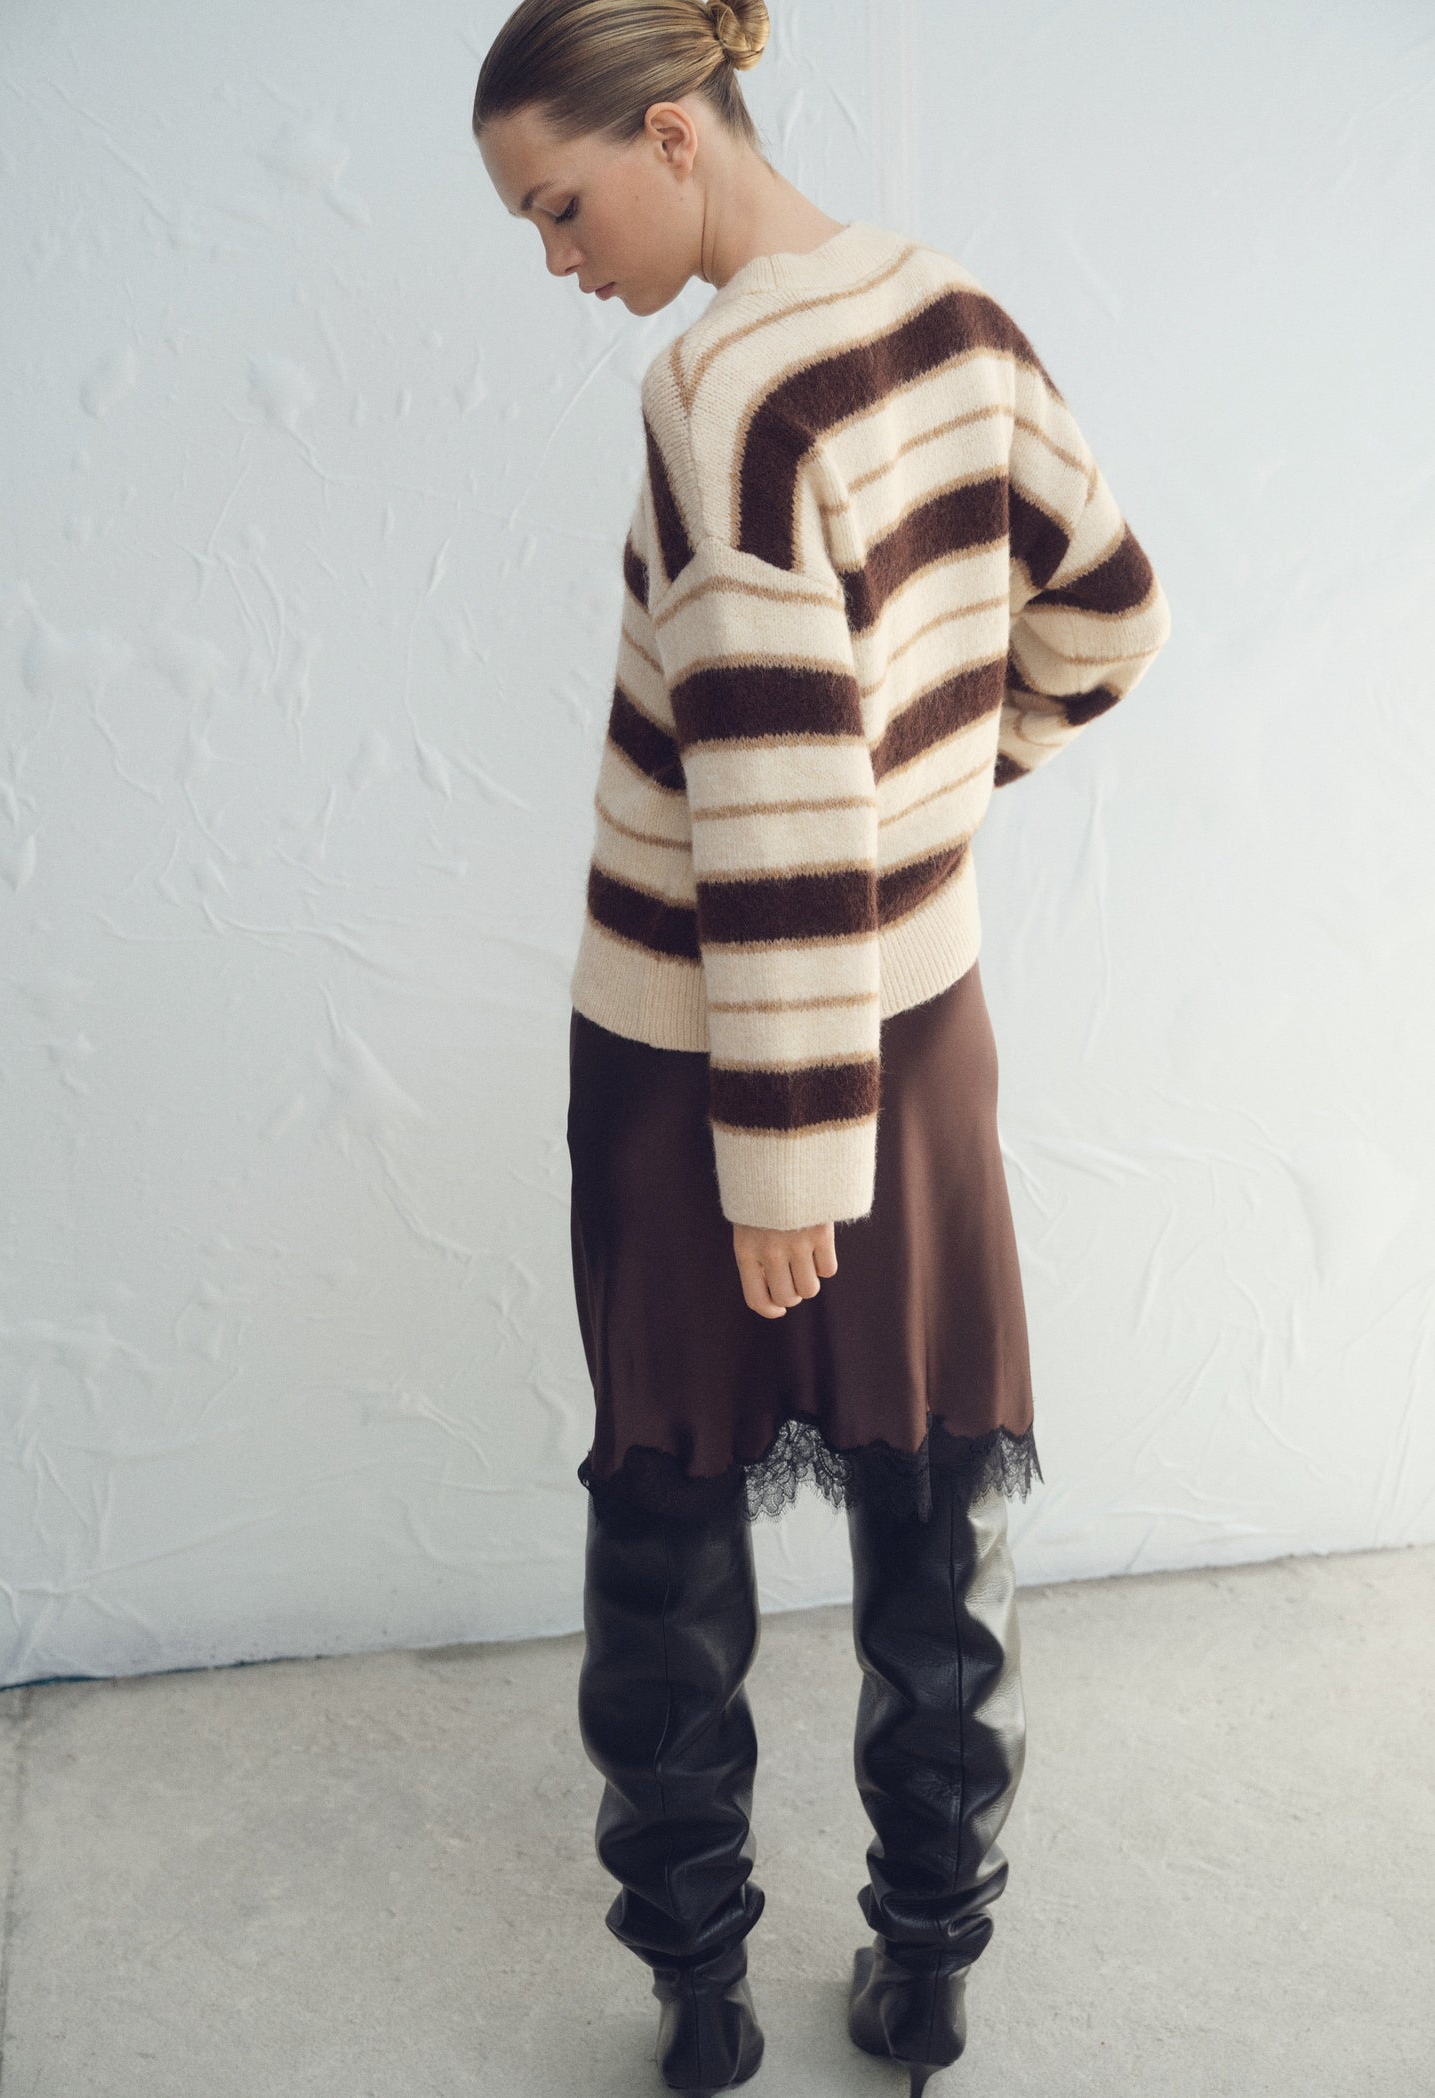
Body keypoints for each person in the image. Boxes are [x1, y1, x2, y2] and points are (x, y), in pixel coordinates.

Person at [473, 4, 1171, 2091]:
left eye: (562, 205)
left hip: (716, 1065)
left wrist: (786, 1158)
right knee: (935, 1491)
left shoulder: (722, 391)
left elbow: (772, 805)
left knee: (673, 1518)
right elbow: (1110, 616)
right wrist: (935, 807)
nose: (558, 258)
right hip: (922, 1025)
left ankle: (701, 1997)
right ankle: (929, 1965)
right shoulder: (951, 311)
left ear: (673, 134)